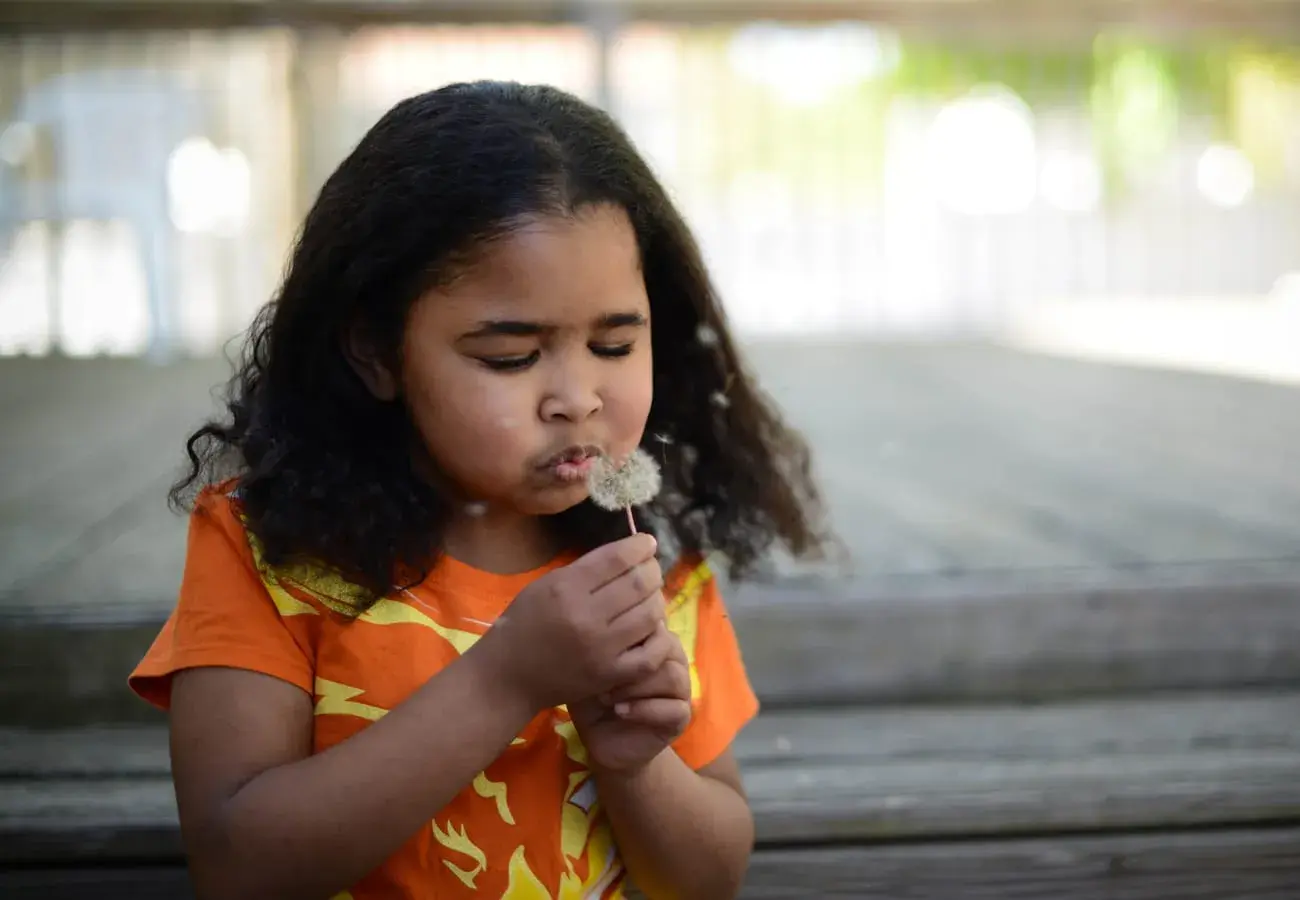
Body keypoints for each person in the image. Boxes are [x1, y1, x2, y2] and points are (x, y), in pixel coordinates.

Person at [129, 80, 828, 900]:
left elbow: (708, 880)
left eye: (613, 344)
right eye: (510, 357)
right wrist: (507, 681)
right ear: (376, 353)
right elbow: (237, 865)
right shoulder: (266, 552)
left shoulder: (652, 574)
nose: (577, 396)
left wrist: (633, 761)